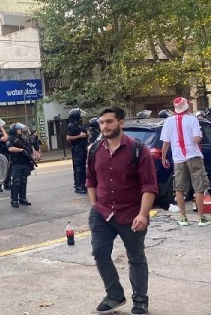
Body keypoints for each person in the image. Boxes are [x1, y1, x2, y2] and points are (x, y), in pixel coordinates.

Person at [86, 106, 157, 314]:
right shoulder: (94, 150)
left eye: (109, 122)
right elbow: (90, 180)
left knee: (135, 257)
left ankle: (140, 300)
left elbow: (149, 186)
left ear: (120, 123)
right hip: (101, 212)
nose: (105, 126)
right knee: (99, 253)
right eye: (102, 123)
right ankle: (115, 295)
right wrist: (93, 205)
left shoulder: (138, 149)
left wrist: (143, 214)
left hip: (131, 214)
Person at [161, 97, 210, 226]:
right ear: (187, 106)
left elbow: (165, 142)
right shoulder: (193, 119)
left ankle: (183, 217)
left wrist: (163, 157)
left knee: (179, 188)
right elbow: (197, 139)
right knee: (198, 188)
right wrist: (200, 134)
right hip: (194, 157)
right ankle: (200, 218)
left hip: (178, 159)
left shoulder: (168, 121)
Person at [7, 123, 34, 208]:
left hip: (24, 163)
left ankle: (23, 198)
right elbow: (10, 148)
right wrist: (21, 150)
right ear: (14, 130)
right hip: (16, 163)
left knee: (23, 181)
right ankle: (14, 200)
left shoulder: (22, 138)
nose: (20, 130)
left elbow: (28, 147)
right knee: (16, 182)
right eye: (19, 129)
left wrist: (31, 155)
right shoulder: (11, 138)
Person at [66, 108, 89, 194]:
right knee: (78, 168)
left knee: (82, 167)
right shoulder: (71, 125)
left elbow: (83, 133)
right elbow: (68, 137)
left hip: (82, 148)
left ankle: (81, 184)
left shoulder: (78, 124)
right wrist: (80, 136)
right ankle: (78, 186)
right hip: (77, 149)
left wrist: (86, 134)